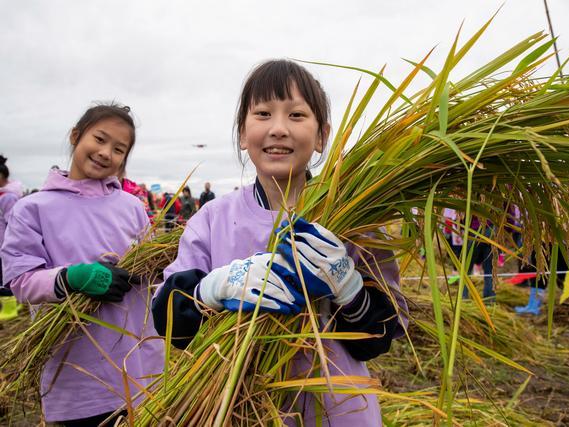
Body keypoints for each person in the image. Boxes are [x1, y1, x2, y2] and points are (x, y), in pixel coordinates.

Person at [151, 60, 406, 425]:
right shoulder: (212, 219)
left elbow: (377, 340)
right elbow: (168, 321)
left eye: (297, 115)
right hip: (234, 411)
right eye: (263, 113)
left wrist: (350, 290)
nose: (279, 129)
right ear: (242, 132)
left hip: (339, 411)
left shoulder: (353, 220)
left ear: (321, 135)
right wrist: (211, 288)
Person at [0, 104, 163, 426]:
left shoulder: (131, 207)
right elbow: (20, 281)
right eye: (99, 139)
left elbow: (153, 264)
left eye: (119, 149)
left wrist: (156, 267)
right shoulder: (33, 208)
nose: (106, 153)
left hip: (138, 362)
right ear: (76, 136)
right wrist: (71, 277)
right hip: (76, 368)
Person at [0, 155, 23, 320]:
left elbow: (14, 224)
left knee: (4, 278)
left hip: (4, 246)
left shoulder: (8, 197)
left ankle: (9, 310)